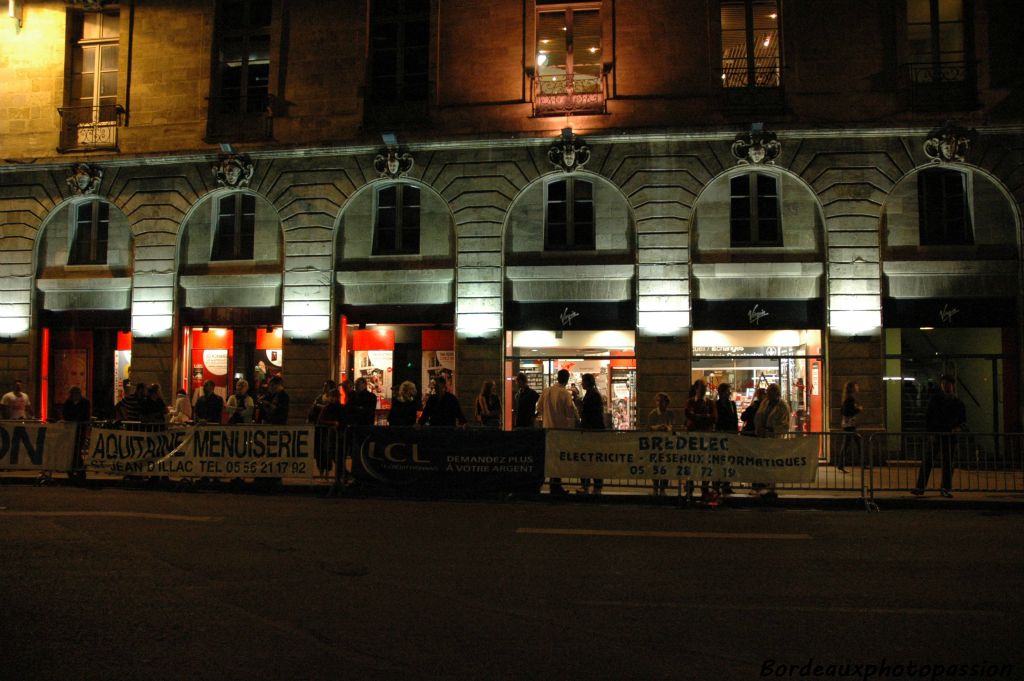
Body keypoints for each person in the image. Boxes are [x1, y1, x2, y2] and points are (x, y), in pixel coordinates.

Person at [912, 374, 966, 498]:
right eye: (943, 384)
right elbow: (929, 417)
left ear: (952, 386)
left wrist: (957, 427)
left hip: (948, 435)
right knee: (929, 461)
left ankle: (943, 488)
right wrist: (930, 432)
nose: (945, 386)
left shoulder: (956, 402)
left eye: (947, 384)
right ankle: (921, 487)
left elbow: (962, 420)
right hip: (937, 434)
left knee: (947, 462)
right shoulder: (937, 400)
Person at [536, 369, 578, 497]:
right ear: (566, 379)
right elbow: (570, 412)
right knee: (557, 459)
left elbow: (539, 408)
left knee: (547, 458)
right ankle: (556, 485)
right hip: (559, 430)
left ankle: (545, 483)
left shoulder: (546, 390)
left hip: (547, 429)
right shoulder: (564, 393)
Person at [754, 383, 791, 500]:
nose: (768, 394)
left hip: (774, 439)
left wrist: (773, 429)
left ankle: (772, 488)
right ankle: (763, 485)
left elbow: (785, 424)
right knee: (763, 463)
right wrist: (759, 428)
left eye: (770, 392)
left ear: (776, 393)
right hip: (763, 437)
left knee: (773, 464)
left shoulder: (782, 406)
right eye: (767, 392)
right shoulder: (765, 403)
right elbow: (758, 416)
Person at [684, 379, 717, 503]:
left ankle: (704, 489)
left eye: (704, 388)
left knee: (705, 464)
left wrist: (697, 417)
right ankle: (689, 489)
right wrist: (705, 417)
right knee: (691, 464)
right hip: (693, 440)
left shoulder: (709, 403)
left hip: (706, 440)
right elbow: (688, 415)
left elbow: (714, 418)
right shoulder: (691, 402)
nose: (703, 390)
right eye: (701, 388)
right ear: (696, 389)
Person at [576, 373, 605, 496]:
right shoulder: (594, 394)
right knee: (592, 459)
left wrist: (579, 405)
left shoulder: (591, 395)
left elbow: (587, 414)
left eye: (583, 381)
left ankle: (588, 484)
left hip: (591, 432)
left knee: (588, 459)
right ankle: (594, 484)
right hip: (594, 431)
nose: (581, 383)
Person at [714, 383, 738, 496]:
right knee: (718, 463)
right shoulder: (716, 405)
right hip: (720, 437)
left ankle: (726, 485)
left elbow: (735, 420)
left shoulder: (732, 404)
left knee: (728, 462)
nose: (729, 393)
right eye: (727, 391)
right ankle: (716, 485)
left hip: (730, 437)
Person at [648, 392, 674, 496]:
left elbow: (671, 425)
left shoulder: (670, 414)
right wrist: (658, 427)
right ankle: (655, 486)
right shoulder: (653, 414)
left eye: (662, 401)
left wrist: (667, 427)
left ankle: (663, 487)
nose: (660, 403)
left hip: (666, 443)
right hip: (656, 443)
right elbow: (650, 426)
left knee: (665, 466)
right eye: (658, 401)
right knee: (655, 465)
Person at [315, 388, 345, 479]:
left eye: (334, 397)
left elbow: (342, 420)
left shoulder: (339, 408)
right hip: (326, 434)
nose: (332, 399)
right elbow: (320, 420)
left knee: (335, 455)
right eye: (331, 396)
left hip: (335, 434)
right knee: (325, 454)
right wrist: (332, 423)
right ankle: (324, 473)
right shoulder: (327, 408)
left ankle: (338, 475)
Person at [835, 381, 863, 473]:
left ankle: (841, 464)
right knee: (855, 443)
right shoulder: (850, 399)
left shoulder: (846, 398)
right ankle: (862, 463)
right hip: (849, 425)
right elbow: (846, 412)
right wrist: (858, 410)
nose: (858, 388)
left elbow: (842, 411)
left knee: (850, 444)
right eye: (856, 386)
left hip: (847, 425)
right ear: (852, 388)